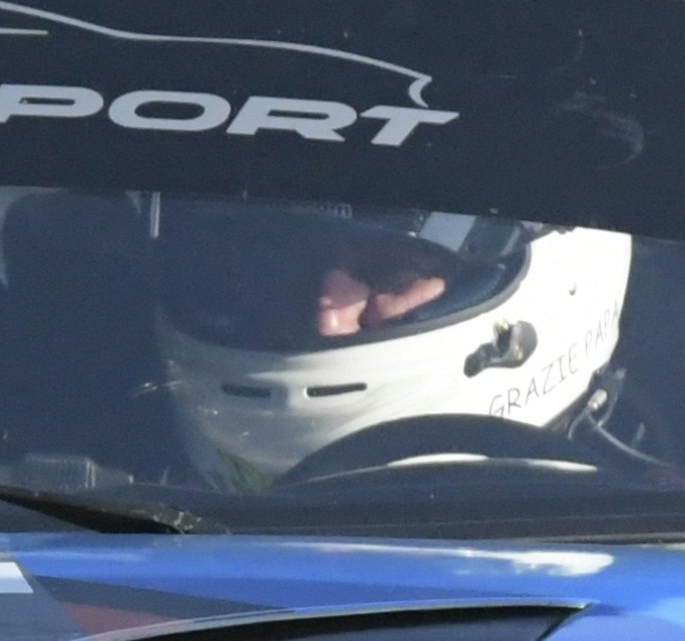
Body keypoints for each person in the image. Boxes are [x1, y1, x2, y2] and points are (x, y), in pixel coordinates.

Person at [149, 204, 641, 488]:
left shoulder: (670, 542)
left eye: (390, 273)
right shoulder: (96, 521)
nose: (328, 314)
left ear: (563, 284)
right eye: (286, 269)